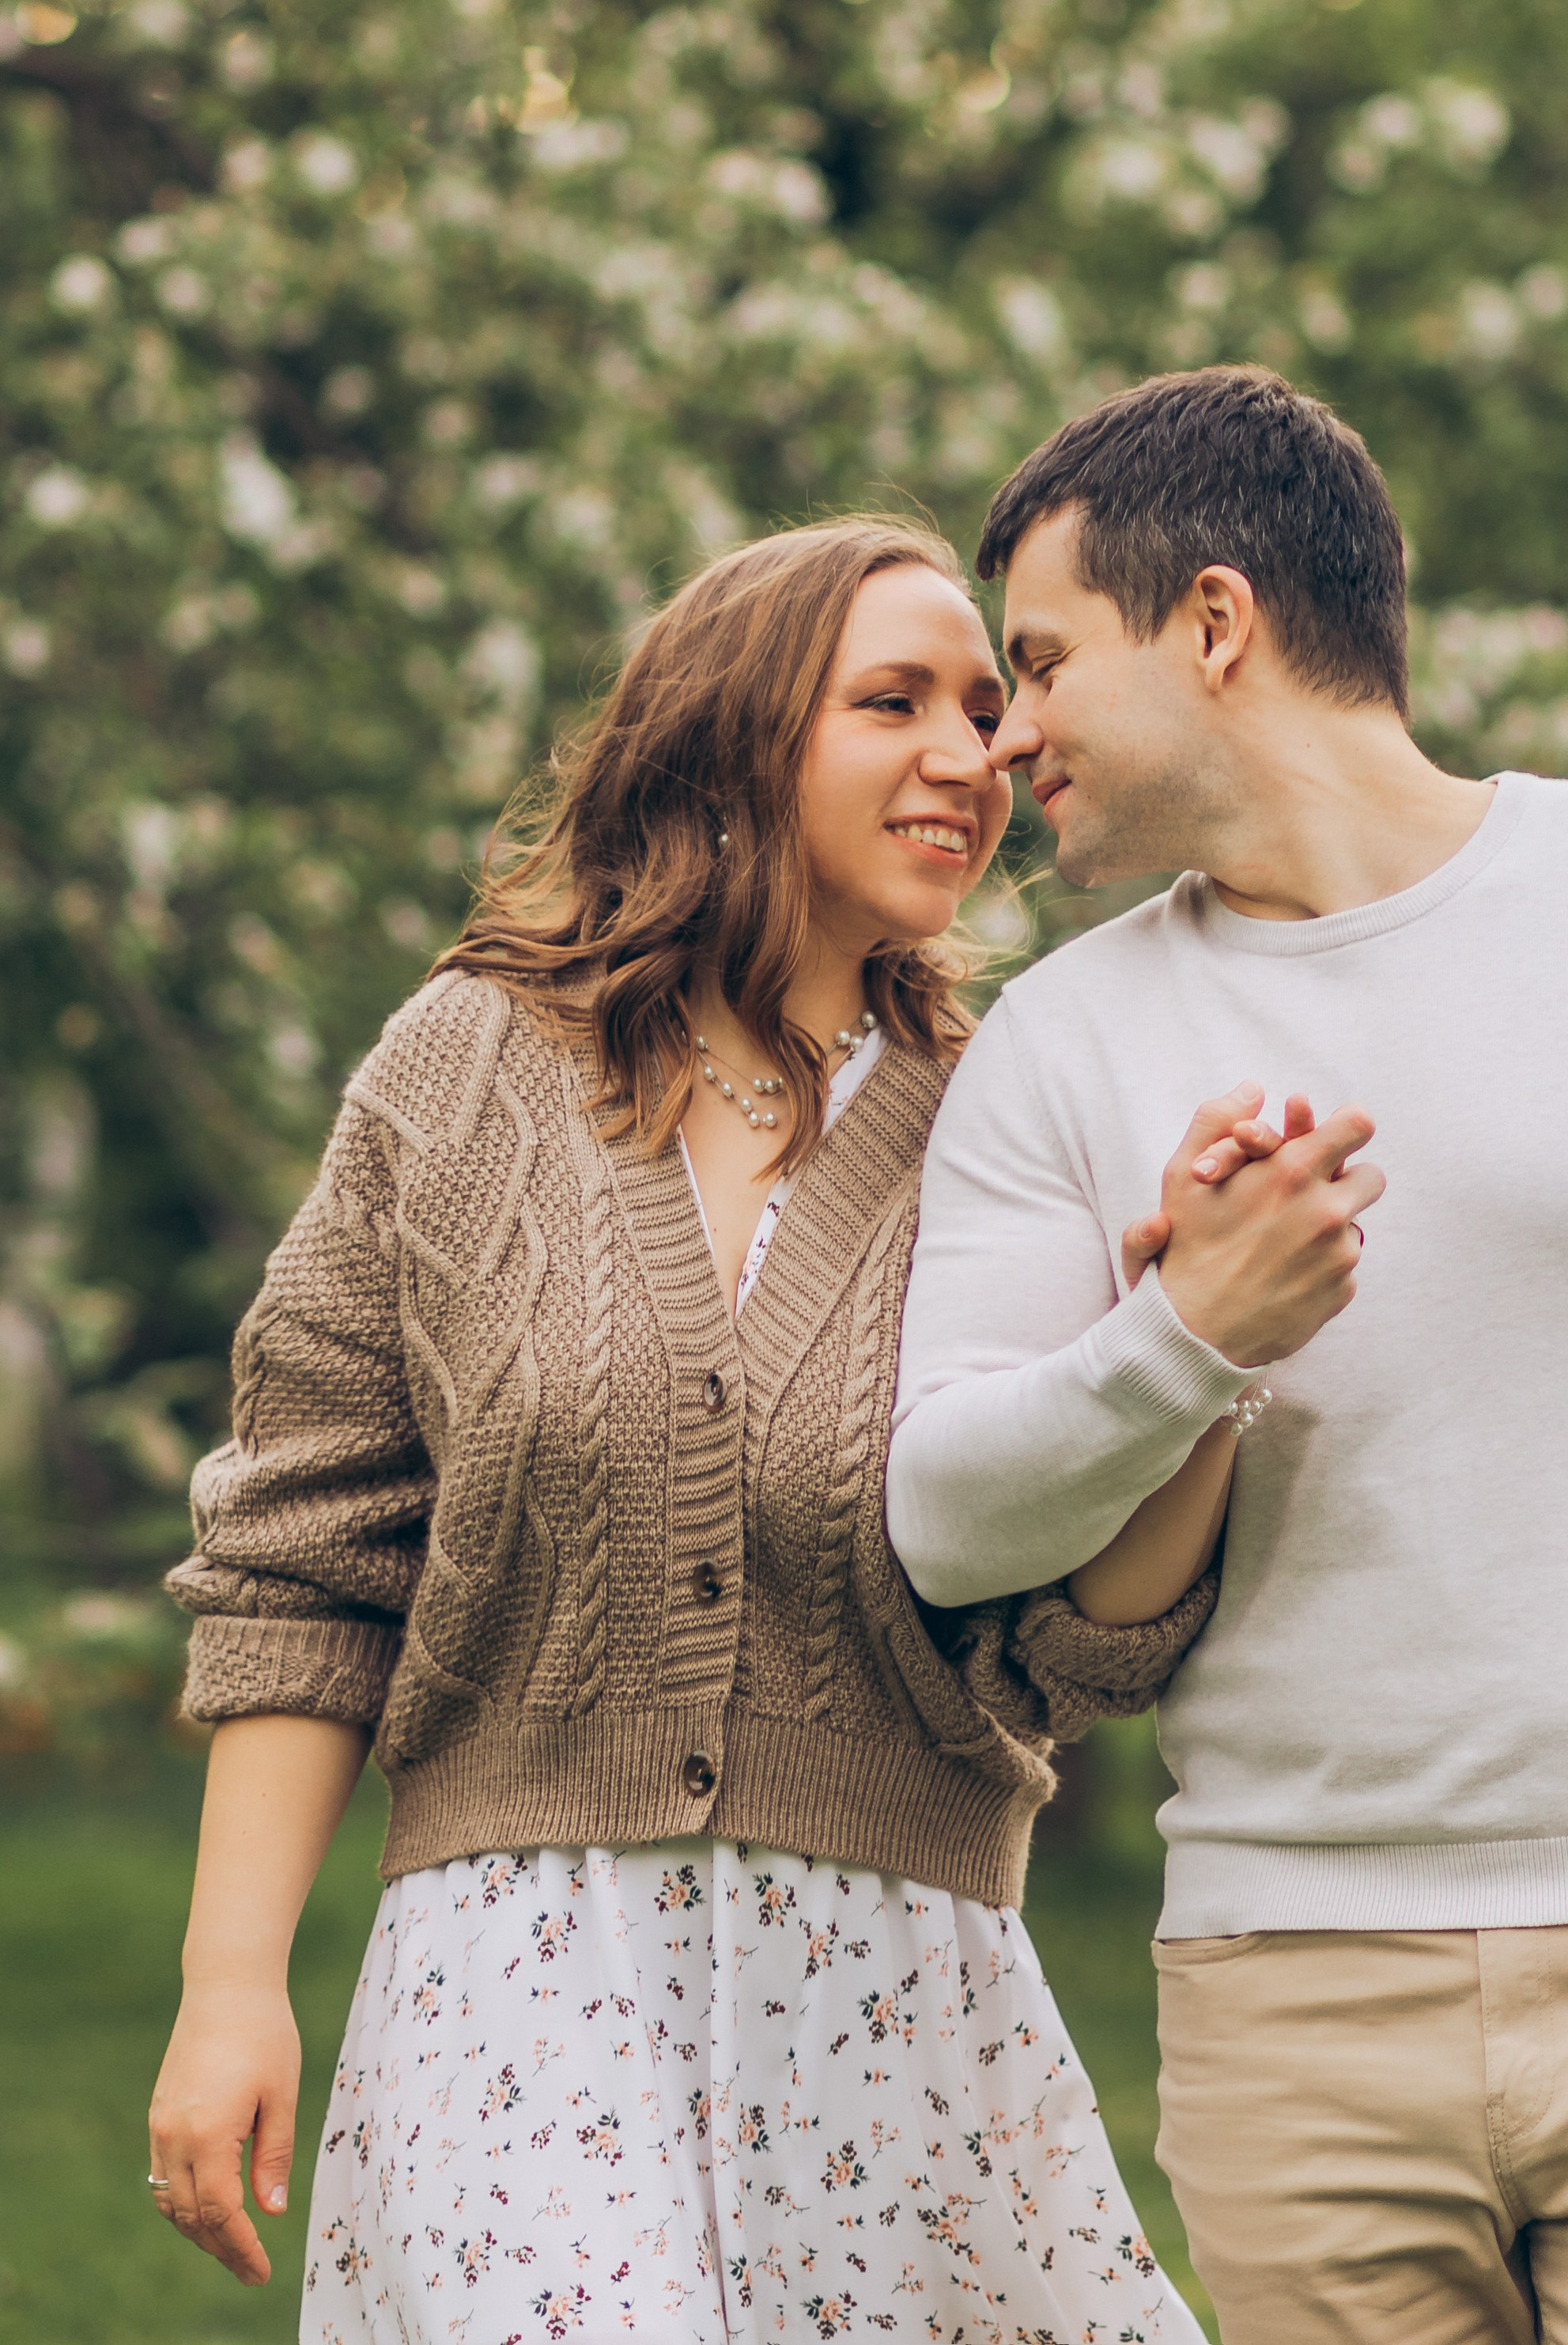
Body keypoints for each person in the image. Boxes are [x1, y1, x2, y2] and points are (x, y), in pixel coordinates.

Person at [147, 514, 1221, 2343]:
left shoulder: (1014, 1113)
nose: (974, 755)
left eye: (986, 705)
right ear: (730, 740)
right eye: (895, 702)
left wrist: (1194, 1353)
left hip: (895, 1991)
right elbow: (303, 1549)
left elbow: (1080, 1642)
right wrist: (231, 1979)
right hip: (513, 1974)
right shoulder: (461, 1070)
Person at [886, 365, 1568, 2345]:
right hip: (1291, 1982)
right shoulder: (1059, 1042)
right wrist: (1184, 1335)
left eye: (1041, 663)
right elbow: (945, 1516)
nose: (1011, 736)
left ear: (1218, 621)